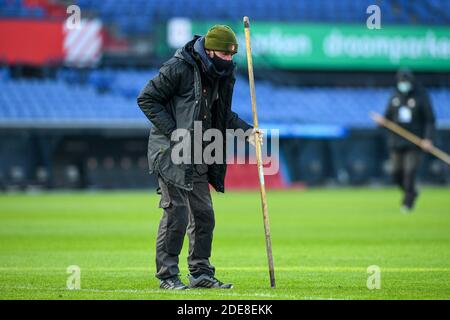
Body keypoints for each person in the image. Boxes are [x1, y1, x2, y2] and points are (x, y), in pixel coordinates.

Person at [137, 25, 261, 289]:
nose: (228, 60)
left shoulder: (222, 73)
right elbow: (147, 99)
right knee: (177, 214)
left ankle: (200, 273)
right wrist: (175, 133)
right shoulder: (178, 67)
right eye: (224, 55)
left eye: (232, 56)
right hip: (170, 151)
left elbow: (221, 114)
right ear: (209, 49)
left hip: (201, 151)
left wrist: (247, 132)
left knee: (204, 215)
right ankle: (168, 276)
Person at [383, 69, 436, 213]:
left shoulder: (421, 97)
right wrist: (382, 121)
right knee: (396, 173)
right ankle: (412, 191)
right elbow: (386, 118)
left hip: (415, 142)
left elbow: (430, 120)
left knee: (410, 172)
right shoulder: (395, 97)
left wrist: (428, 138)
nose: (403, 85)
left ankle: (408, 202)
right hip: (396, 142)